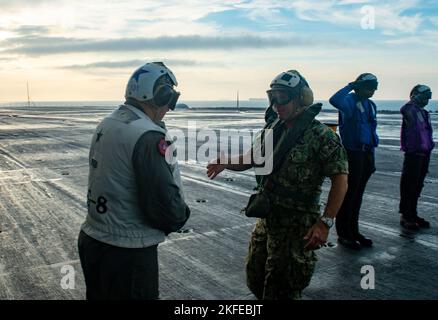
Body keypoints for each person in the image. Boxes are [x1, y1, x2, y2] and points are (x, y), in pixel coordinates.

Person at [207, 70, 348, 300]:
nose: (276, 104)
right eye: (273, 98)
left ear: (301, 98)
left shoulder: (322, 136)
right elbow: (252, 158)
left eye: (282, 97)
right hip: (268, 218)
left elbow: (340, 180)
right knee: (256, 279)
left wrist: (325, 222)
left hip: (297, 225)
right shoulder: (272, 130)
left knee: (283, 289)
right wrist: (225, 162)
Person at [78, 62, 190, 300]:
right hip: (128, 250)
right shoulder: (148, 135)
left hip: (94, 237)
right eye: (168, 98)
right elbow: (164, 204)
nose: (168, 108)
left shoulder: (109, 123)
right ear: (157, 95)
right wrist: (181, 215)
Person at [329, 73, 379, 250]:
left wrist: (371, 157)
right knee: (349, 194)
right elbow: (334, 100)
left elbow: (371, 131)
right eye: (369, 86)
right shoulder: (349, 101)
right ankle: (344, 234)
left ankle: (354, 230)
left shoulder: (370, 105)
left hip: (366, 154)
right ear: (359, 86)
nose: (373, 90)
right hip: (352, 152)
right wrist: (350, 85)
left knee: (358, 195)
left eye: (375, 87)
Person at [399, 85, 434, 230]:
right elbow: (405, 109)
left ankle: (412, 213)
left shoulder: (423, 112)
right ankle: (406, 215)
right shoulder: (410, 109)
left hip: (424, 153)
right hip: (414, 153)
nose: (427, 100)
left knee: (418, 185)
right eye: (425, 96)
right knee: (409, 185)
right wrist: (413, 99)